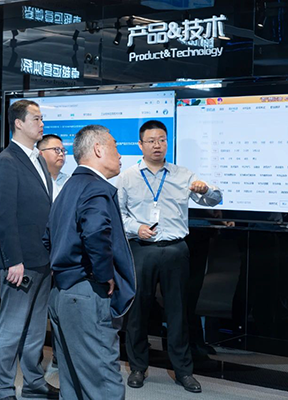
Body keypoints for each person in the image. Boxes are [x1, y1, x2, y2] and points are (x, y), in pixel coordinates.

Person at [116, 120, 222, 393]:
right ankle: (138, 367)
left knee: (178, 313)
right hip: (141, 249)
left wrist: (206, 191)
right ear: (140, 145)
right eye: (151, 141)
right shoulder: (127, 177)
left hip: (176, 250)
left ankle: (183, 371)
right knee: (138, 312)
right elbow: (119, 215)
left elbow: (215, 200)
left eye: (162, 140)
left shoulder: (183, 175)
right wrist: (136, 228)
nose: (157, 145)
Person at [44, 125, 136, 400]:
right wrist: (104, 274)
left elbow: (48, 237)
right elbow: (95, 233)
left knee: (73, 381)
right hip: (87, 294)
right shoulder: (96, 188)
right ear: (98, 149)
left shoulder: (69, 187)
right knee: (103, 383)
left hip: (62, 293)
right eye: (116, 147)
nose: (120, 155)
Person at [0, 100, 58, 400]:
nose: (42, 124)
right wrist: (13, 260)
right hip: (19, 262)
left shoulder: (39, 159)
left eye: (42, 118)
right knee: (11, 330)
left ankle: (34, 383)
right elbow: (4, 217)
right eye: (36, 119)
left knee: (35, 331)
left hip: (42, 259)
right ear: (18, 123)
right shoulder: (6, 161)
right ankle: (4, 390)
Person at [37, 134, 69, 201]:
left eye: (63, 150)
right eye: (56, 150)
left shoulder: (69, 181)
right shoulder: (34, 180)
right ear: (40, 153)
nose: (61, 154)